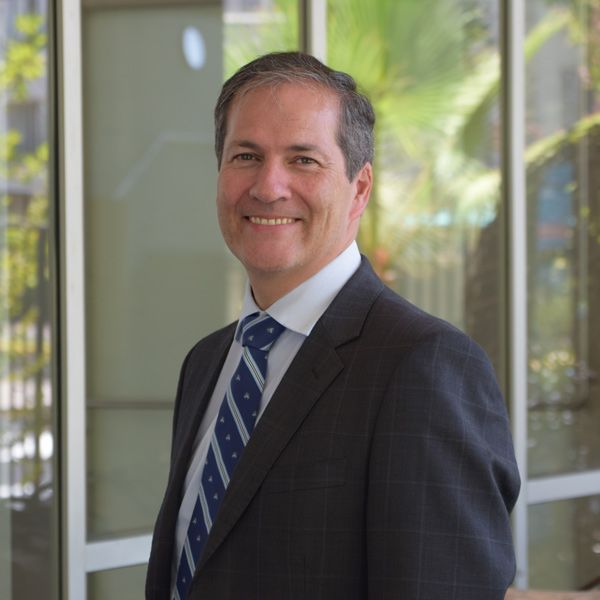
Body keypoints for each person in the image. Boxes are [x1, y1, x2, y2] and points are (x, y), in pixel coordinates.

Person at [146, 51, 520, 600]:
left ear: (359, 188)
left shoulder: (424, 365)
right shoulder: (207, 362)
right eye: (246, 155)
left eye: (303, 160)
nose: (268, 186)